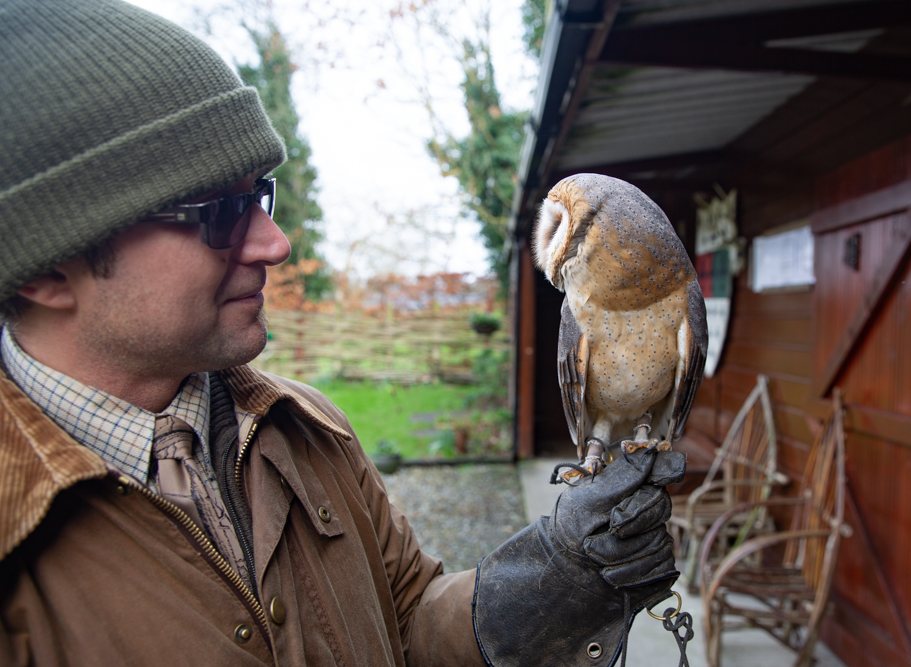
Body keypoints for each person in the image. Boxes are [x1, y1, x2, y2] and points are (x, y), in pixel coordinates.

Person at [0, 1, 683, 665]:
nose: (275, 242)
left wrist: (556, 576)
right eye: (222, 212)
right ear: (46, 271)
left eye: (260, 196)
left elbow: (409, 619)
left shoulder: (303, 428)